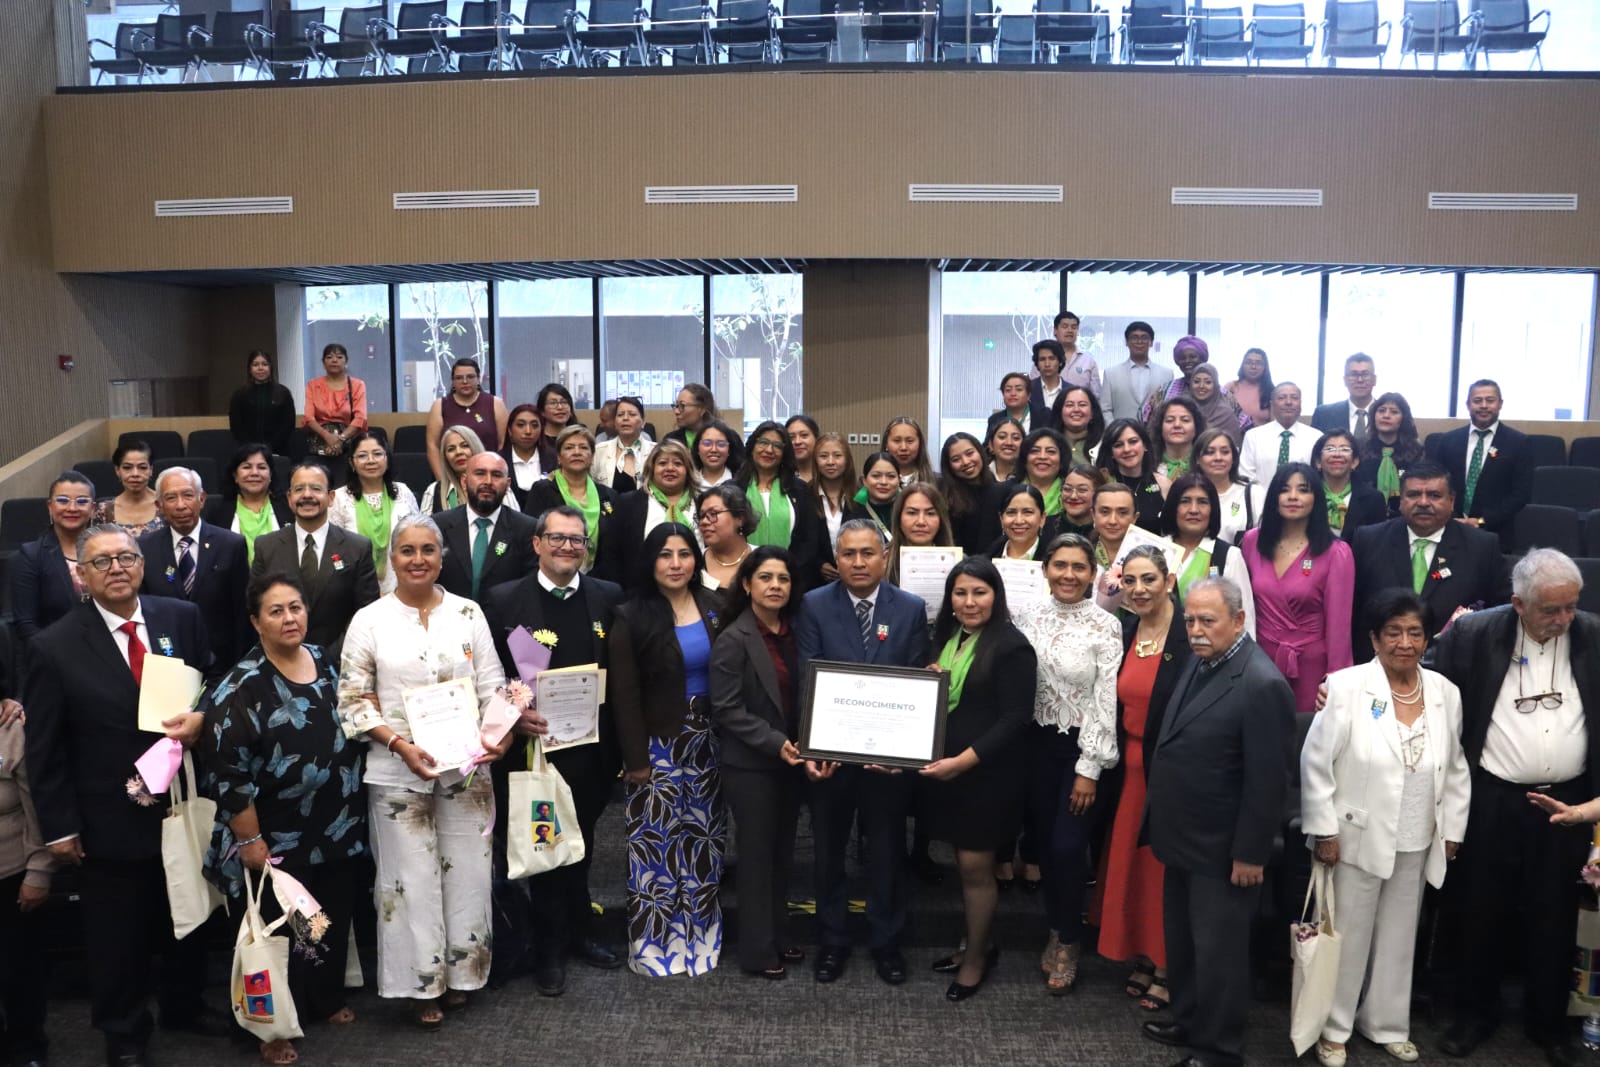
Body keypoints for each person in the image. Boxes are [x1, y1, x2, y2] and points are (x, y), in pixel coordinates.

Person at [24, 524, 224, 1067]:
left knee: (188, 911)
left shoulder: (180, 617)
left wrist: (203, 716)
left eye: (125, 557)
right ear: (81, 575)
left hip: (182, 802)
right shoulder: (52, 645)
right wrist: (61, 827)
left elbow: (213, 681)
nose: (116, 568)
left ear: (142, 564)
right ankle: (124, 1032)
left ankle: (185, 1005)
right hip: (107, 815)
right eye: (101, 562)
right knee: (119, 935)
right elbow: (45, 748)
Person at [1422, 549, 1600, 1067]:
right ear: (1518, 603)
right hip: (1493, 797)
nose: (1564, 619)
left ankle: (1550, 1024)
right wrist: (1341, 691)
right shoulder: (1474, 634)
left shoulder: (1592, 634)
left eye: (1571, 606)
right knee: (1482, 910)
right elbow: (1421, 681)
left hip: (1567, 802)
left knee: (1554, 915)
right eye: (1551, 610)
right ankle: (1476, 1014)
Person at [337, 514, 508, 1030]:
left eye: (428, 550)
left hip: (466, 772)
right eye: (407, 550)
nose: (418, 560)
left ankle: (462, 976)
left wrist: (498, 735)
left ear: (441, 557)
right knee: (408, 881)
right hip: (397, 772)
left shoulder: (467, 612)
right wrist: (400, 744)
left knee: (469, 875)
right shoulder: (370, 619)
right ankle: (420, 986)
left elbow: (492, 684)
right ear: (392, 558)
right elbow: (352, 701)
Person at [199, 573, 367, 1067]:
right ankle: (267, 1026)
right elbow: (228, 776)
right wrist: (249, 839)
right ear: (255, 622)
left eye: (295, 607)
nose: (289, 618)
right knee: (276, 932)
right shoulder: (239, 687)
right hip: (272, 833)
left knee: (324, 921)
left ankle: (323, 999)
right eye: (275, 611)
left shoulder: (327, 662)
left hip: (336, 822)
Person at [1301, 589, 1472, 1067]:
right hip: (1355, 834)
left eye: (1414, 632)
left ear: (1427, 638)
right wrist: (1324, 829)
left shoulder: (1445, 693)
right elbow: (1316, 764)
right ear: (1374, 638)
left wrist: (1452, 828)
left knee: (1401, 937)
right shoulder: (1345, 687)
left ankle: (1386, 1023)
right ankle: (1333, 1029)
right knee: (1349, 937)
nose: (1404, 642)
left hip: (1418, 834)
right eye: (1393, 632)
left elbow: (1455, 768)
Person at [1141, 577, 1295, 1067]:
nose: (1196, 630)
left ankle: (1219, 1049)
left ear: (1239, 620)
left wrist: (1251, 851)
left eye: (1208, 620)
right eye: (1189, 619)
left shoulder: (1262, 684)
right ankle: (1188, 1019)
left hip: (1224, 848)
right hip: (1182, 835)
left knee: (1220, 956)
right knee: (1184, 945)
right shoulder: (1201, 659)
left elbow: (1269, 781)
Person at [481, 506, 626, 994]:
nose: (568, 547)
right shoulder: (504, 600)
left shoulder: (607, 596)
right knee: (545, 849)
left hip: (592, 748)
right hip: (535, 751)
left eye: (577, 541)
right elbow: (493, 674)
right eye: (558, 539)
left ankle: (580, 931)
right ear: (537, 543)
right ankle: (548, 950)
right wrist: (516, 713)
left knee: (582, 845)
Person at [799, 519, 932, 986]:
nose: (858, 562)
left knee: (887, 852)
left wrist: (906, 754)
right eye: (849, 554)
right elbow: (807, 677)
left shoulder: (912, 608)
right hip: (830, 756)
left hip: (888, 761)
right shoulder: (814, 604)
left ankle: (885, 941)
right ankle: (833, 939)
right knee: (828, 853)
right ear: (837, 560)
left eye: (868, 553)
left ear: (885, 557)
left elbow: (917, 680)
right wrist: (814, 746)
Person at [611, 523, 727, 977]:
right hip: (655, 743)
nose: (675, 564)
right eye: (665, 555)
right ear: (650, 561)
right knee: (655, 845)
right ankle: (655, 945)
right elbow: (624, 693)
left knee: (703, 842)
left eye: (684, 554)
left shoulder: (717, 606)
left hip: (710, 743)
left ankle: (700, 939)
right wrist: (636, 759)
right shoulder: (631, 615)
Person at [920, 557, 1038, 1000]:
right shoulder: (950, 639)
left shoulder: (1011, 646)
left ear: (996, 596)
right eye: (960, 593)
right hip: (954, 772)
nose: (969, 602)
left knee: (974, 868)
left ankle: (975, 960)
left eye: (979, 593)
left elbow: (1014, 720)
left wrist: (963, 762)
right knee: (964, 864)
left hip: (987, 775)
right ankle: (976, 941)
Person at [1012, 534, 1121, 995]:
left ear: (1093, 573)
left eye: (1079, 567)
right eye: (1060, 565)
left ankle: (1068, 937)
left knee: (1066, 846)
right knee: (1040, 844)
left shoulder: (1105, 626)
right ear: (1045, 569)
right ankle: (1056, 925)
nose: (1069, 575)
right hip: (1032, 749)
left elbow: (1105, 700)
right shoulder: (1024, 615)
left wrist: (1089, 767)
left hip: (1080, 751)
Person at [1098, 547, 1191, 1014]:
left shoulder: (1191, 635)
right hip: (1130, 768)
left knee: (1163, 870)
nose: (1139, 589)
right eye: (1130, 581)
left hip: (1172, 771)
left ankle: (1168, 965)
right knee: (1132, 866)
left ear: (1169, 580)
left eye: (1149, 579)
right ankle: (1142, 952)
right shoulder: (1128, 629)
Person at [709, 547, 808, 979]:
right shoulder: (734, 638)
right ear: (747, 584)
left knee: (783, 853)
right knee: (756, 856)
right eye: (765, 577)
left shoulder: (798, 631)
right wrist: (776, 742)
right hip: (751, 764)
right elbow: (727, 709)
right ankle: (756, 948)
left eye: (783, 579)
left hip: (793, 760)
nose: (775, 586)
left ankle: (780, 933)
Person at [1351, 461, 1509, 660]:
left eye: (1434, 495)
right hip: (1378, 666)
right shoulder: (1368, 540)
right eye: (1413, 494)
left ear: (1451, 501)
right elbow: (1350, 612)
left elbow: (1500, 614)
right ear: (1400, 500)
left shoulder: (1482, 547)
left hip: (1453, 668)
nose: (1423, 502)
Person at [1241, 463, 1354, 712]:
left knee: (1305, 742)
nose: (1293, 497)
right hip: (1258, 661)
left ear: (1316, 497)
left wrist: (1337, 681)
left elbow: (1339, 627)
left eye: (1303, 490)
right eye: (1285, 489)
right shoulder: (1252, 542)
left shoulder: (1336, 552)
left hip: (1311, 667)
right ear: (1274, 497)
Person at [249, 461, 380, 662]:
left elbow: (366, 614)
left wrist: (326, 658)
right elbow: (257, 609)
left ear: (331, 497)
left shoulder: (357, 548)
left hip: (339, 661)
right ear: (289, 498)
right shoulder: (267, 547)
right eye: (299, 489)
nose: (307, 495)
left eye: (316, 488)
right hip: (279, 661)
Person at [138, 466, 251, 669]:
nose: (181, 505)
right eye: (171, 498)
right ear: (159, 505)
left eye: (188, 495)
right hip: (167, 661)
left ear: (202, 499)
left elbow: (242, 614)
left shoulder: (231, 545)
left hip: (222, 662)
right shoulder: (145, 548)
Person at [0, 668, 53, 1067]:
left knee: (19, 969)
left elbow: (37, 807)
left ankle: (26, 1045)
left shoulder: (10, 726)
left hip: (12, 869)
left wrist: (39, 871)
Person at [1426, 378, 1535, 549]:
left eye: (1490, 400)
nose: (1483, 405)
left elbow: (1521, 494)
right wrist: (1452, 518)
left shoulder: (1519, 443)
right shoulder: (1448, 440)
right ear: (1468, 405)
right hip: (1448, 528)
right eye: (1477, 401)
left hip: (1495, 533)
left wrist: (1482, 521)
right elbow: (1435, 483)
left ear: (1500, 404)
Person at [1159, 473, 1256, 635]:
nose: (1194, 510)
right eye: (1185, 501)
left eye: (1203, 502)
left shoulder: (1229, 556)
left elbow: (1245, 622)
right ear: (1173, 507)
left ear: (1213, 509)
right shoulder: (1155, 550)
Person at [596, 440, 700, 589]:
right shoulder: (628, 503)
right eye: (662, 463)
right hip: (640, 592)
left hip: (694, 589)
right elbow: (612, 555)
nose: (670, 468)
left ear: (688, 469)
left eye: (678, 464)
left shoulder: (702, 503)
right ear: (651, 469)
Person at [328, 429, 421, 594]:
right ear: (351, 463)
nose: (371, 460)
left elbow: (418, 537)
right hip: (354, 589)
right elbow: (334, 550)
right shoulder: (339, 498)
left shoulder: (403, 492)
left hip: (403, 587)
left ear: (387, 459)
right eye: (362, 455)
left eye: (377, 454)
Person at [437, 452, 540, 600]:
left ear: (508, 485)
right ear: (464, 482)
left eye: (497, 475)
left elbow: (530, 587)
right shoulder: (439, 525)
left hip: (506, 619)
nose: (488, 481)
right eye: (480, 473)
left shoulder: (527, 529)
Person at [735, 421, 822, 588]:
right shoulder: (733, 489)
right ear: (752, 445)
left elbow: (809, 539)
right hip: (741, 578)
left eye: (777, 445)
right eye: (763, 442)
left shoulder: (800, 490)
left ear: (784, 452)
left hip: (789, 580)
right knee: (728, 615)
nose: (769, 450)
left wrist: (787, 572)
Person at [12, 471, 95, 643]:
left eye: (81, 501)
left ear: (93, 509)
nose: (72, 508)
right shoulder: (32, 555)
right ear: (50, 506)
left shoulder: (110, 549)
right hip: (56, 653)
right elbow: (26, 624)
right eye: (63, 500)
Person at [526, 425, 619, 571]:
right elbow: (532, 538)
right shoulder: (542, 490)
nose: (577, 452)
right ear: (558, 457)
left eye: (583, 448)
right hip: (552, 574)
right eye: (569, 448)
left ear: (592, 457)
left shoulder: (608, 496)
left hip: (599, 581)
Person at [1090, 482, 1175, 615]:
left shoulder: (1156, 558)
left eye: (1122, 513)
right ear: (1093, 515)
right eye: (1105, 512)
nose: (1113, 520)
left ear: (1135, 518)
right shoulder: (1081, 556)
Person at [425, 357, 508, 484]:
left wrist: (497, 475)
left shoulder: (495, 403)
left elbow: (504, 443)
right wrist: (443, 482)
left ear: (478, 379)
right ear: (453, 381)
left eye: (470, 377)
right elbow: (433, 446)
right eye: (459, 378)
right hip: (452, 476)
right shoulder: (440, 406)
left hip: (488, 477)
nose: (465, 381)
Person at [203, 444, 293, 561]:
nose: (254, 473)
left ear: (270, 475)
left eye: (261, 467)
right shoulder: (219, 512)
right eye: (246, 467)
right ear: (235, 475)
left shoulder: (288, 507)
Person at [1238, 381, 1322, 486]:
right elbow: (1245, 476)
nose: (1288, 402)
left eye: (1294, 398)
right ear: (1272, 404)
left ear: (1300, 403)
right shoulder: (1253, 436)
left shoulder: (1316, 437)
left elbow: (1320, 476)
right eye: (1281, 398)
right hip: (1260, 500)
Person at [302, 343, 368, 474]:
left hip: (348, 440)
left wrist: (340, 439)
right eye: (329, 357)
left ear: (346, 361)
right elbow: (309, 417)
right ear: (323, 362)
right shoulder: (313, 385)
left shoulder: (357, 385)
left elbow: (360, 418)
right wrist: (328, 437)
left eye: (339, 357)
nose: (334, 360)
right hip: (319, 440)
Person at [1192, 428, 1263, 547]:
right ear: (1197, 459)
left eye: (1225, 452)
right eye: (1210, 452)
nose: (1218, 458)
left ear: (1233, 458)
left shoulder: (1253, 493)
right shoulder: (1185, 493)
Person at [810, 432, 865, 582]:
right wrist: (819, 564)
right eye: (823, 456)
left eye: (837, 455)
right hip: (814, 582)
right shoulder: (804, 495)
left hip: (856, 577)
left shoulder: (861, 496)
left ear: (847, 460)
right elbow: (802, 541)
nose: (830, 462)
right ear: (815, 461)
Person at [1313, 429, 1387, 541]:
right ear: (1318, 462)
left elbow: (1377, 545)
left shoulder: (1373, 499)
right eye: (1330, 449)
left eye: (1344, 449)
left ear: (1354, 462)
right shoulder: (1307, 494)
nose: (1337, 454)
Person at [1355, 392, 1424, 509]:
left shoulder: (1416, 450)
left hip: (1404, 513)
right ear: (1373, 416)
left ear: (1403, 418)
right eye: (1381, 410)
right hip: (1364, 512)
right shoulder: (1359, 447)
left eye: (1394, 412)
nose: (1386, 415)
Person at [1095, 418, 1164, 532]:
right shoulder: (1102, 482)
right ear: (1111, 452)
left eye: (1133, 441)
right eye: (1118, 445)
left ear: (1145, 445)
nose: (1127, 449)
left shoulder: (1163, 484)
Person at [939, 432, 1000, 556]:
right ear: (949, 466)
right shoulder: (945, 496)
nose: (966, 462)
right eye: (956, 459)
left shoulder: (996, 487)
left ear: (980, 452)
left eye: (969, 453)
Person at [1102, 321, 1173, 425]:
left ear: (1151, 342)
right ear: (1126, 342)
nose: (1139, 341)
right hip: (1120, 435)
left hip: (1154, 437)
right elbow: (1105, 409)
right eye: (1134, 338)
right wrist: (1115, 431)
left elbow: (1169, 409)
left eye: (1144, 338)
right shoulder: (1111, 374)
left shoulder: (1166, 374)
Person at [227, 349, 297, 456]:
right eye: (255, 365)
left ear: (270, 368)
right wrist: (251, 449)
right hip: (247, 452)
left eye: (264, 364)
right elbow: (236, 426)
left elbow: (288, 424)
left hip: (279, 452)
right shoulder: (239, 395)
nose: (260, 368)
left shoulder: (283, 393)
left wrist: (270, 447)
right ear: (249, 369)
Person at [886, 482, 955, 588]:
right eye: (912, 513)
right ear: (899, 518)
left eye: (930, 513)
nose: (921, 522)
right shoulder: (881, 561)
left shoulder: (958, 561)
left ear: (941, 519)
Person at [94, 439, 164, 538]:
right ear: (117, 471)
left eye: (142, 467)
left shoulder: (165, 504)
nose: (135, 474)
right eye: (127, 467)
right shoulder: (104, 510)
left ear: (151, 470)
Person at [697, 484, 758, 591]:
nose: (704, 522)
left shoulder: (763, 560)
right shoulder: (695, 563)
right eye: (701, 516)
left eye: (713, 513)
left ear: (740, 518)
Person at [1312, 352, 1379, 446]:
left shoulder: (1388, 415)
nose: (1360, 380)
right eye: (1354, 375)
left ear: (1374, 380)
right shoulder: (1324, 415)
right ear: (1345, 380)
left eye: (1365, 374)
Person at [421, 424, 490, 515]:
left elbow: (512, 524)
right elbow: (423, 527)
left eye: (465, 446)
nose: (458, 452)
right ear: (445, 457)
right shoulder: (433, 491)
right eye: (451, 449)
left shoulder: (497, 485)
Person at [1139, 335, 1209, 424]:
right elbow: (1146, 419)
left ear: (1203, 358)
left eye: (1193, 357)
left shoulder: (1221, 393)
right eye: (1183, 358)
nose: (1187, 361)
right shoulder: (1164, 390)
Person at [591, 396, 654, 494]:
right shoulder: (599, 451)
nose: (625, 418)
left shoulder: (655, 451)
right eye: (620, 415)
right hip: (608, 508)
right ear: (615, 422)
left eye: (632, 414)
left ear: (643, 421)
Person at [1186, 362, 1250, 446]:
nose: (1201, 386)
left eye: (1208, 382)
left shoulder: (1225, 413)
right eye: (1196, 381)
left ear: (1216, 385)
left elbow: (1232, 448)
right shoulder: (1183, 408)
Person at [1149, 395, 1203, 492]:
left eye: (1185, 420)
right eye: (1170, 420)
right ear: (1160, 427)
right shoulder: (1147, 463)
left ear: (1196, 427)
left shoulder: (1206, 463)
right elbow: (1143, 492)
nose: (1177, 425)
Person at [989, 483, 1055, 562]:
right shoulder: (988, 558)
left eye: (1028, 512)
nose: (1019, 521)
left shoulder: (1054, 558)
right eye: (1011, 512)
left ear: (1042, 518)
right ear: (1001, 519)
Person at [1044, 312, 1102, 400]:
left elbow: (1096, 395)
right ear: (1055, 330)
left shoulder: (1089, 361)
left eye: (1074, 327)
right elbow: (1034, 390)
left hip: (1079, 412)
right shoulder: (1043, 359)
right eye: (1065, 326)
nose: (1070, 330)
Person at [499, 403, 544, 512]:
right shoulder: (498, 461)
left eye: (534, 425)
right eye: (520, 425)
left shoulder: (554, 459)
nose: (528, 431)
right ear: (510, 430)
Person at [1053, 385, 1105, 468]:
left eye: (1082, 405)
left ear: (1092, 413)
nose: (1076, 410)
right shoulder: (1050, 443)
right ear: (1060, 412)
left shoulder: (1103, 445)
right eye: (1069, 405)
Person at [1224, 347, 1273, 428]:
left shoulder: (1272, 392)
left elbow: (1275, 424)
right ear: (1242, 365)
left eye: (1258, 363)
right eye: (1248, 362)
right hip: (1232, 438)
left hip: (1261, 439)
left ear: (1265, 367)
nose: (1253, 366)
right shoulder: (1231, 387)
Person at [534, 383, 577, 472]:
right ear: (542, 411)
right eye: (553, 403)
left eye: (564, 402)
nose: (560, 407)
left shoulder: (579, 436)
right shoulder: (535, 439)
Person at [664, 384, 717, 454]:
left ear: (702, 409)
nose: (676, 411)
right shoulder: (671, 440)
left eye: (682, 406)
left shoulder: (726, 437)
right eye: (676, 406)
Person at [882, 416, 936, 485]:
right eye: (897, 441)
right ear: (886, 444)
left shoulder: (939, 482)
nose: (903, 448)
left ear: (920, 444)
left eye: (910, 441)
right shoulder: (873, 481)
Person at [858, 452, 901, 537]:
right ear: (864, 480)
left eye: (891, 476)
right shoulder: (853, 508)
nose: (883, 482)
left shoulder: (908, 507)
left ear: (899, 480)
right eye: (876, 476)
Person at [1025, 341, 1066, 430]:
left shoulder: (1071, 391)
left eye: (1052, 358)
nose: (1047, 364)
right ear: (1037, 364)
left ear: (1060, 362)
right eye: (1042, 359)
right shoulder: (1027, 389)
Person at [987, 370, 1040, 437]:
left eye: (1019, 389)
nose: (1013, 394)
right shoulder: (994, 419)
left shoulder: (1043, 416)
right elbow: (988, 445)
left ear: (1028, 395)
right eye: (1008, 390)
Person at [1058, 464, 1105, 539]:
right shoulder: (1044, 526)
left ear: (1098, 494)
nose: (1073, 496)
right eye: (1067, 489)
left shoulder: (1106, 530)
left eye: (1082, 490)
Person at [694, 420, 741, 488]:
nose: (714, 450)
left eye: (721, 444)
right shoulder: (688, 483)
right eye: (707, 444)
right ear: (697, 448)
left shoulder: (741, 482)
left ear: (729, 450)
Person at [986, 416, 1025, 482]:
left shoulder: (1032, 476)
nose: (1009, 443)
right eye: (1002, 437)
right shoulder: (980, 476)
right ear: (991, 444)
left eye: (1016, 438)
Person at [785, 415, 819, 484]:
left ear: (816, 438)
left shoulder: (828, 472)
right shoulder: (780, 477)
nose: (797, 442)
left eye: (804, 435)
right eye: (791, 437)